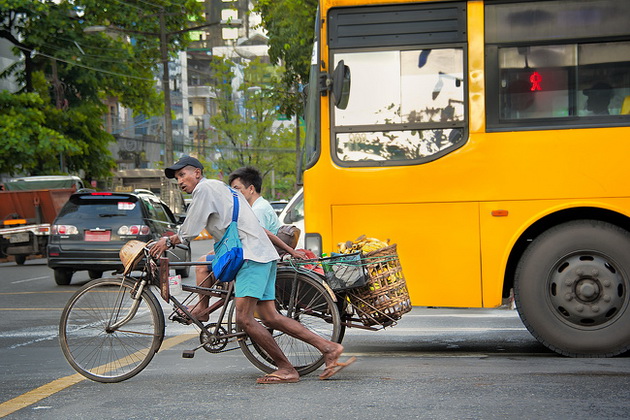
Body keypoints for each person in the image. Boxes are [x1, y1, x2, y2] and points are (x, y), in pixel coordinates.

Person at [150, 156, 355, 383]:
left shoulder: (204, 189)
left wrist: (168, 241)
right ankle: (328, 348)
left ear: (197, 173)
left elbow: (191, 227)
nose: (179, 181)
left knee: (244, 319)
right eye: (177, 178)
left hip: (250, 257)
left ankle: (286, 369)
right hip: (262, 255)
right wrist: (287, 249)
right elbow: (256, 227)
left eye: (182, 175)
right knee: (270, 317)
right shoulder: (225, 191)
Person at [189, 166, 304, 322]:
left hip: (254, 258)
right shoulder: (254, 206)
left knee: (201, 264)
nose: (234, 193)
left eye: (237, 188)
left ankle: (202, 308)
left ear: (251, 189)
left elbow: (264, 234)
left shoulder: (258, 209)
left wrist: (291, 251)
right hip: (256, 255)